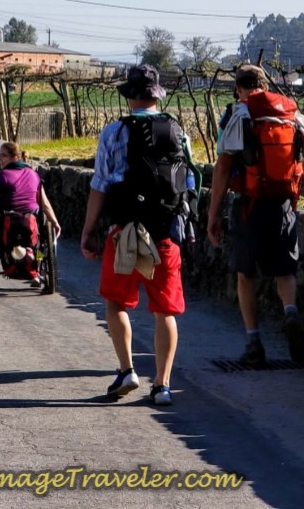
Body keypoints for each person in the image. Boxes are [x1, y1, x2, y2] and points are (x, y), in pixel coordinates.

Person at [80, 64, 190, 406]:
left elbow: (100, 184)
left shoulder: (114, 133)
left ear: (129, 97)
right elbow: (188, 183)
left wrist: (88, 231)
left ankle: (127, 369)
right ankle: (163, 385)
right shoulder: (177, 131)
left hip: (127, 232)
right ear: (157, 96)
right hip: (163, 232)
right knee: (164, 311)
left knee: (117, 303)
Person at [206, 64, 304, 367]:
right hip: (284, 203)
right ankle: (291, 311)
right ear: (265, 84)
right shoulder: (291, 115)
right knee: (285, 271)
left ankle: (254, 342)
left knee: (246, 274)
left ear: (237, 87)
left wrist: (213, 214)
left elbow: (222, 168)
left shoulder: (236, 115)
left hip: (249, 204)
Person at [0, 141, 61, 288]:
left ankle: (9, 262)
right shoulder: (34, 175)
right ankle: (37, 267)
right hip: (31, 223)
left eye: (3, 155)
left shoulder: (3, 176)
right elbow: (44, 204)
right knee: (40, 245)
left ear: (15, 157)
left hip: (8, 224)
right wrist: (55, 222)